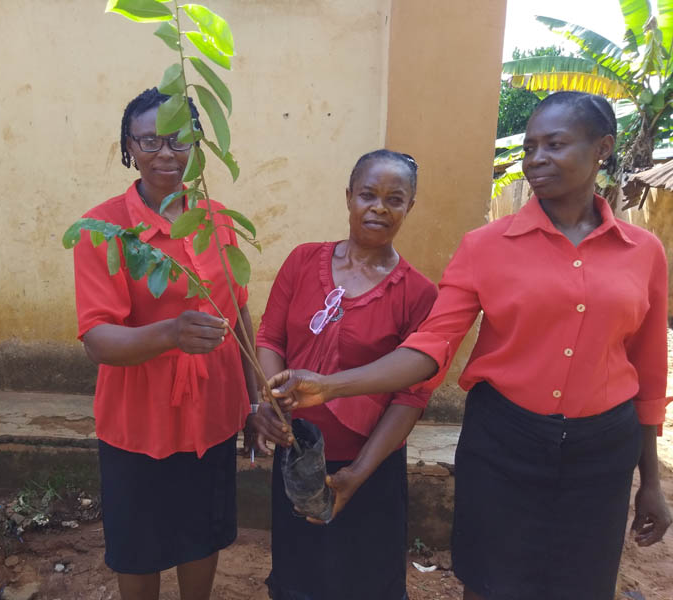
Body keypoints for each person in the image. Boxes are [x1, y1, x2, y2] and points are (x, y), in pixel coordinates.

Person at [268, 92, 672, 600]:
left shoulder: (644, 253)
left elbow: (649, 371)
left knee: (584, 581)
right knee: (488, 580)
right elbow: (429, 349)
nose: (536, 158)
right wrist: (330, 387)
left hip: (602, 450)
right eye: (529, 147)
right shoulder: (484, 247)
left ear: (603, 148)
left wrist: (650, 480)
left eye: (555, 144)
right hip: (506, 441)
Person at [72, 87, 257, 600]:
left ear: (198, 144)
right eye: (149, 141)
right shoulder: (105, 229)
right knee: (140, 543)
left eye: (179, 140)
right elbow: (98, 341)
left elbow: (237, 311)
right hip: (140, 419)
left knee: (203, 533)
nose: (166, 154)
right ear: (129, 149)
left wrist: (254, 401)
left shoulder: (216, 220)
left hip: (214, 413)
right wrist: (170, 333)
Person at [249, 149, 438, 600]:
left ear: (409, 207)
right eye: (368, 194)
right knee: (300, 572)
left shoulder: (418, 293)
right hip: (298, 454)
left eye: (395, 199)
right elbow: (270, 338)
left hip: (368, 464)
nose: (379, 207)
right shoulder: (302, 262)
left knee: (365, 578)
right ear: (349, 197)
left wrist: (360, 470)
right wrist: (269, 406)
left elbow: (410, 396)